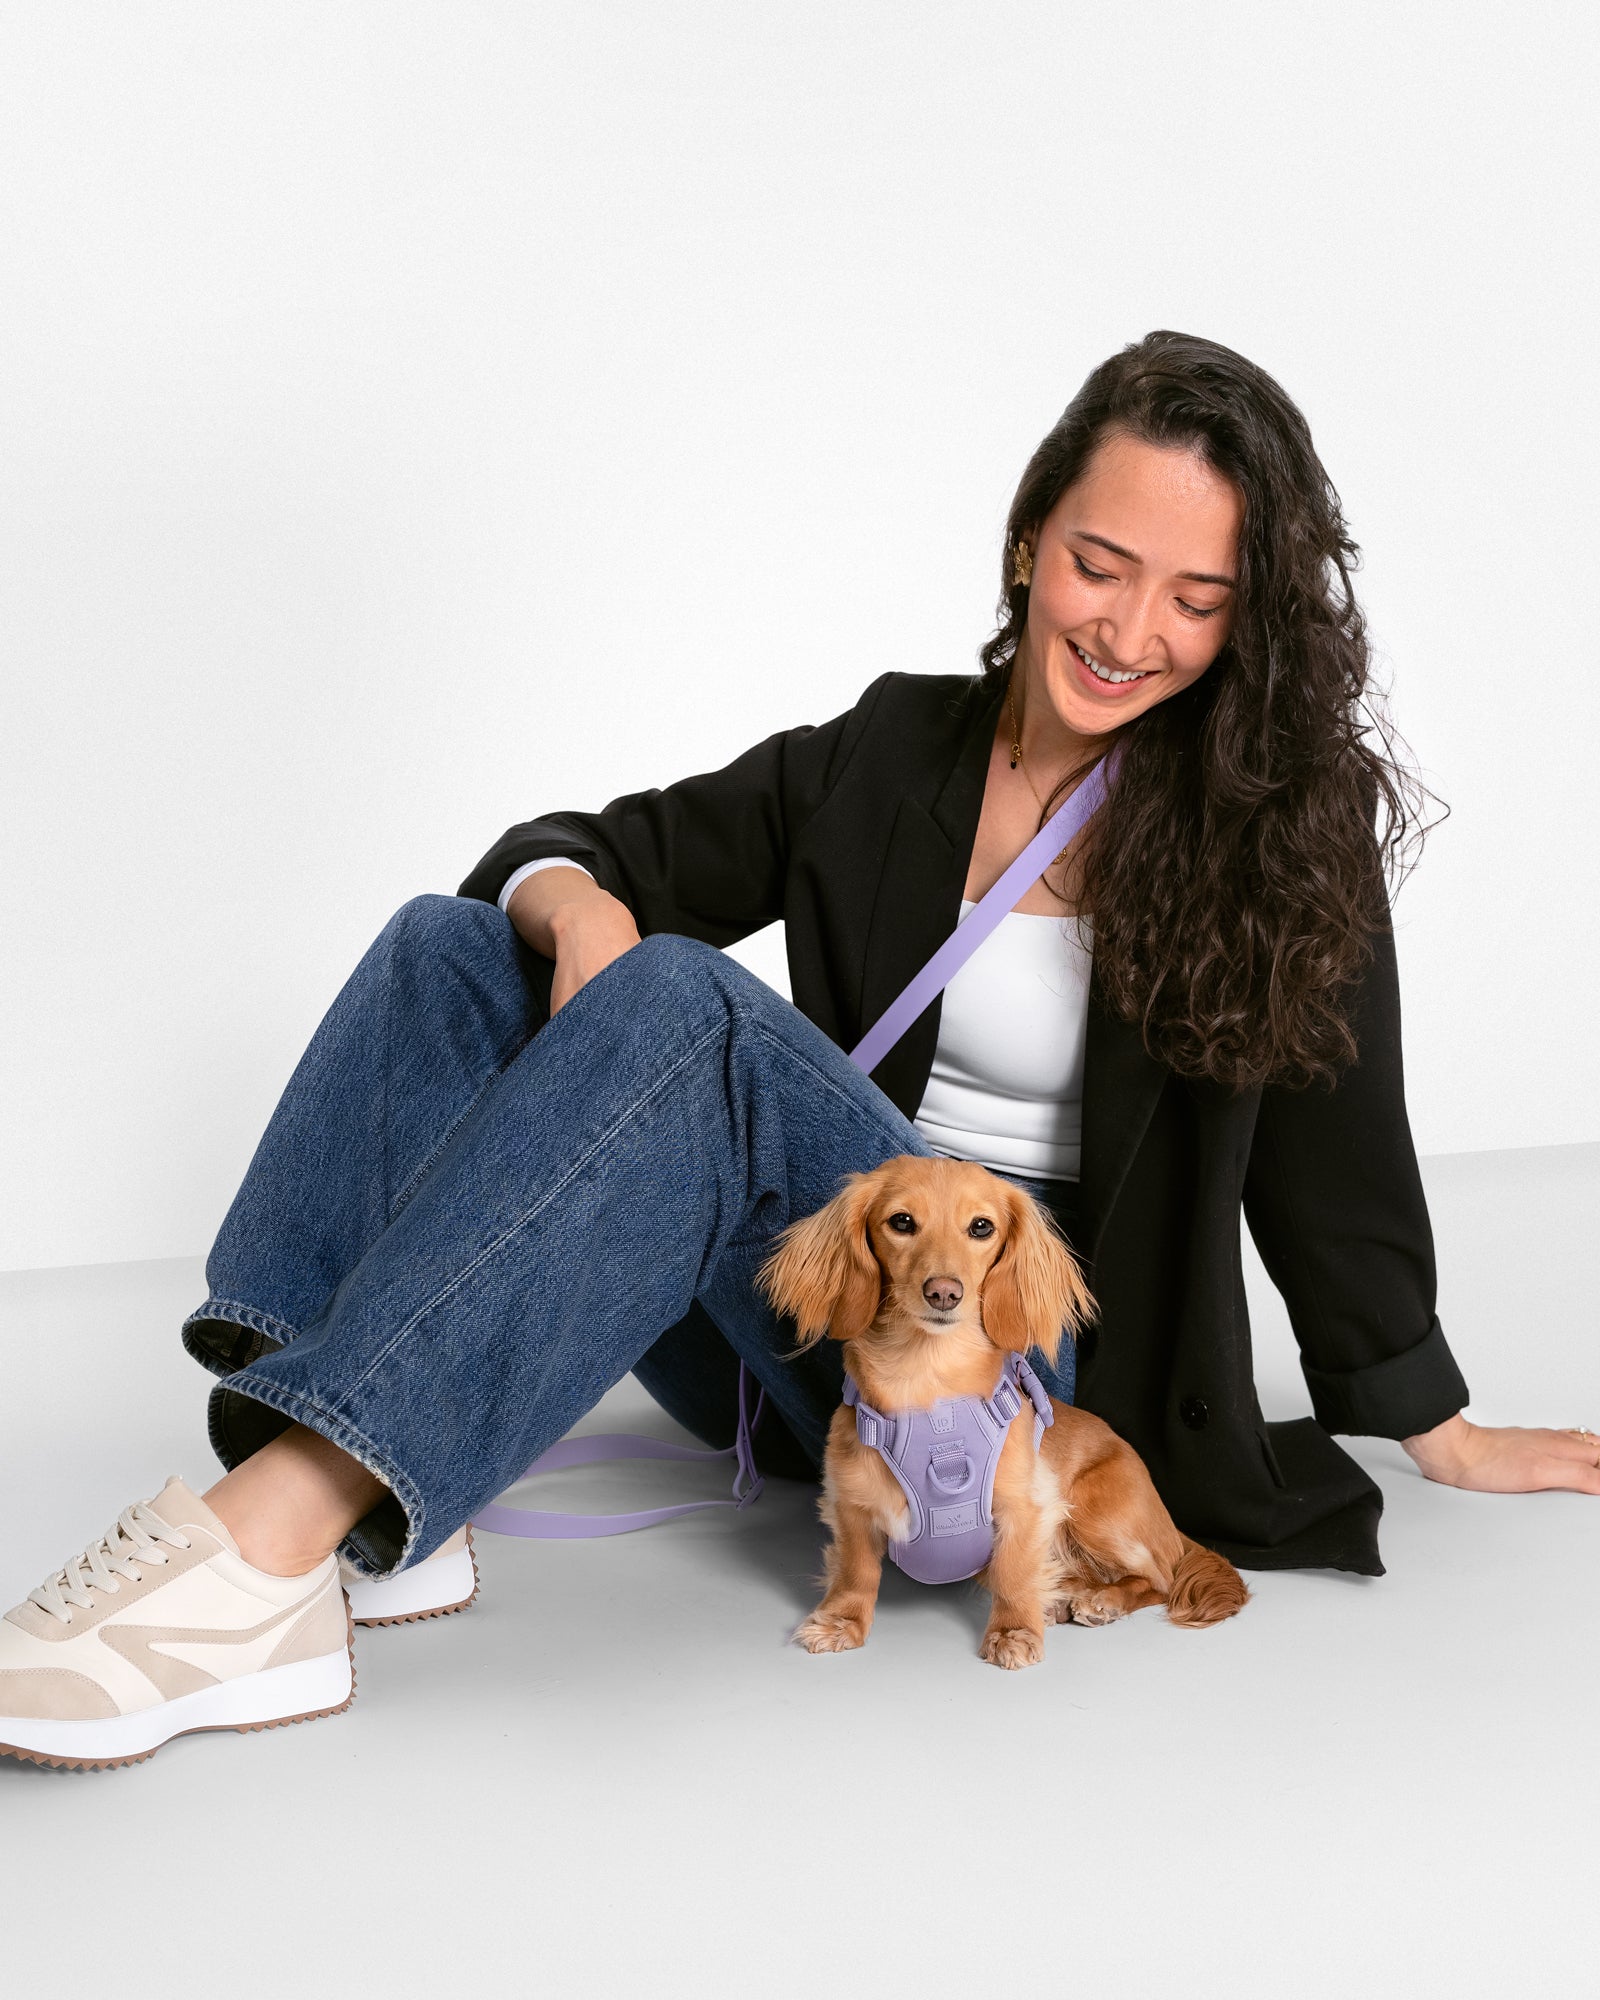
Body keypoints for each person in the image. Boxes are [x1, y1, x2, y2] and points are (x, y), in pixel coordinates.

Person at [5, 330, 1596, 1771]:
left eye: (1198, 600)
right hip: (828, 1334)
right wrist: (573, 915)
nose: (1132, 632)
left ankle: (266, 1560)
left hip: (1024, 1380)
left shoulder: (1270, 839)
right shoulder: (892, 748)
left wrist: (1431, 1414)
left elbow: (1343, 1162)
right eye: (1102, 565)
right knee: (458, 936)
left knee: (693, 1012)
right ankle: (335, 1478)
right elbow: (571, 845)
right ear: (1030, 539)